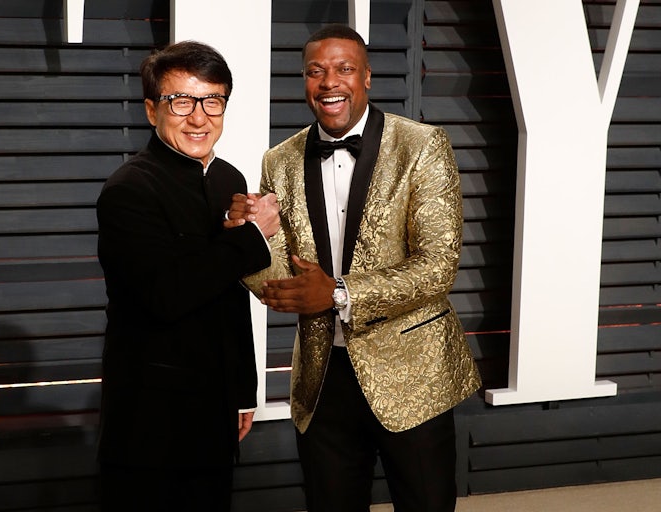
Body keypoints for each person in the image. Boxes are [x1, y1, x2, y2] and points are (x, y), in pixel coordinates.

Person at [230, 24, 482, 512]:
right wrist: (248, 237)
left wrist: (340, 292)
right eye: (315, 72)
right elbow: (280, 282)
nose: (329, 82)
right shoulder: (279, 160)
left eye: (344, 69)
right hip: (323, 378)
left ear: (367, 78)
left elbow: (437, 267)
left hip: (413, 374)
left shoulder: (422, 145)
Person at [95, 40, 279, 511]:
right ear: (152, 108)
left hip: (216, 405)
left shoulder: (230, 179)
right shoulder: (128, 189)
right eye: (182, 101)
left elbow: (231, 297)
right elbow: (166, 294)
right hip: (150, 414)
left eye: (213, 100)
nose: (199, 117)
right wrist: (253, 238)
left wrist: (243, 390)